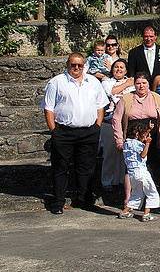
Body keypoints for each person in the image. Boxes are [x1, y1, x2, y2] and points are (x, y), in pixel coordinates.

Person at [42, 53, 109, 214]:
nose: (76, 68)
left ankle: (84, 199)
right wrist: (54, 131)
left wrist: (97, 126)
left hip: (89, 132)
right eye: (73, 65)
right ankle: (58, 202)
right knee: (60, 167)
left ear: (84, 65)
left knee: (86, 168)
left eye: (80, 65)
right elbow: (48, 108)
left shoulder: (93, 82)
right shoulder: (56, 82)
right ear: (67, 65)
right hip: (64, 132)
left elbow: (101, 106)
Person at [112, 72, 160, 200]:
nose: (141, 86)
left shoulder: (156, 97)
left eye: (144, 83)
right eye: (138, 83)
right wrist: (119, 140)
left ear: (149, 84)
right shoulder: (126, 98)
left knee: (151, 167)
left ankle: (150, 199)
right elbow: (116, 119)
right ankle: (129, 199)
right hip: (133, 137)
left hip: (152, 136)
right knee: (131, 169)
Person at [100, 59, 134, 191]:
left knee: (124, 154)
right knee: (109, 153)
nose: (119, 69)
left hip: (126, 123)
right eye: (116, 67)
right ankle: (107, 181)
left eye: (122, 67)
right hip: (109, 122)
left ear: (126, 70)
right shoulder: (106, 81)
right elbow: (111, 92)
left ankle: (120, 181)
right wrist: (126, 84)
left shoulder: (132, 83)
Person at [117, 121, 160, 221]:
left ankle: (125, 211)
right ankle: (146, 214)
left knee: (137, 193)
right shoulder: (138, 144)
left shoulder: (126, 143)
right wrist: (148, 143)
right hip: (141, 172)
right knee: (151, 192)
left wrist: (148, 129)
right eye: (144, 134)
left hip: (132, 174)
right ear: (137, 134)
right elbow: (143, 155)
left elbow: (140, 138)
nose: (145, 137)